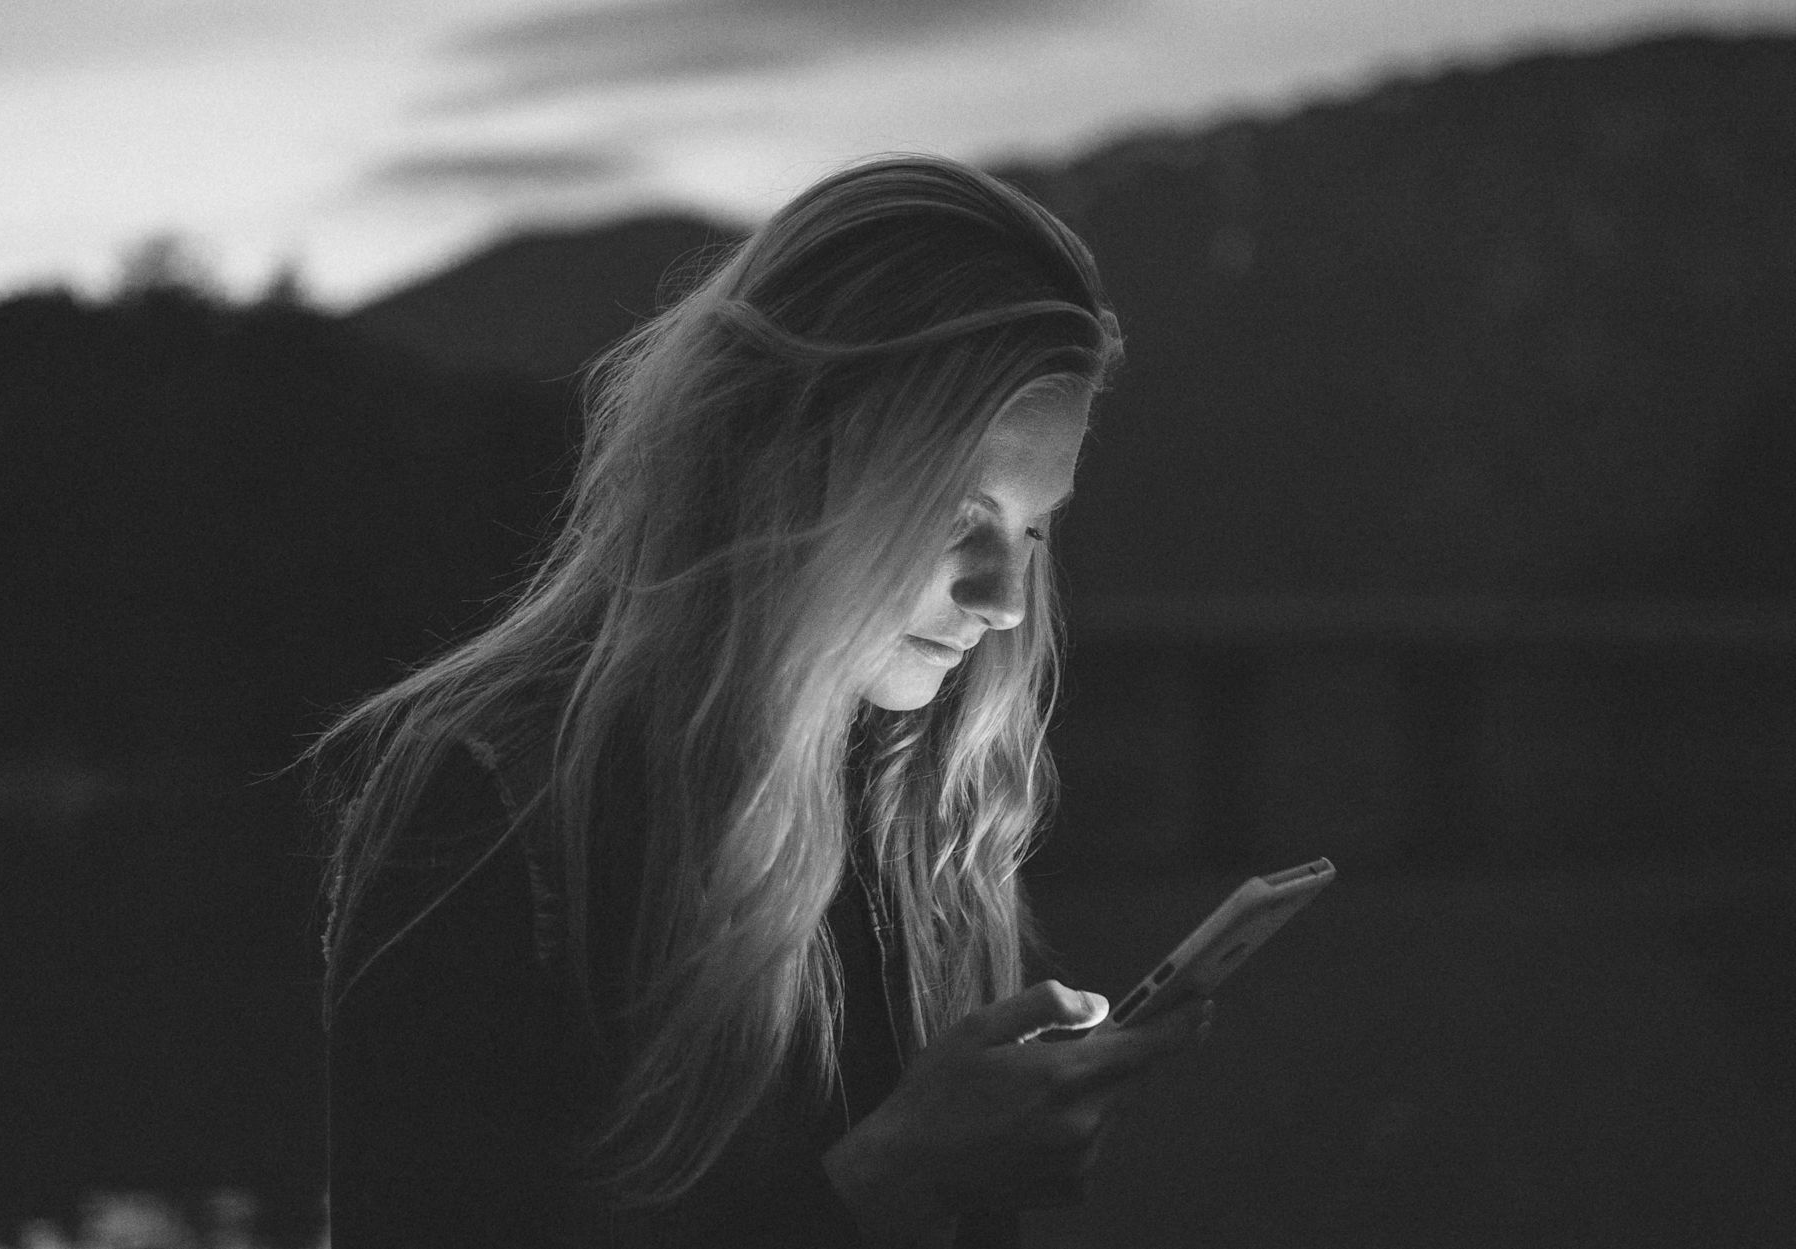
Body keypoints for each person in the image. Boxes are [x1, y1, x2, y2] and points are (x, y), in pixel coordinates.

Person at [307, 153, 1211, 1248]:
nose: (1006, 599)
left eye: (1029, 527)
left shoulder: (912, 802)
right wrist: (884, 1179)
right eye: (953, 511)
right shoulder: (494, 802)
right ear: (782, 457)